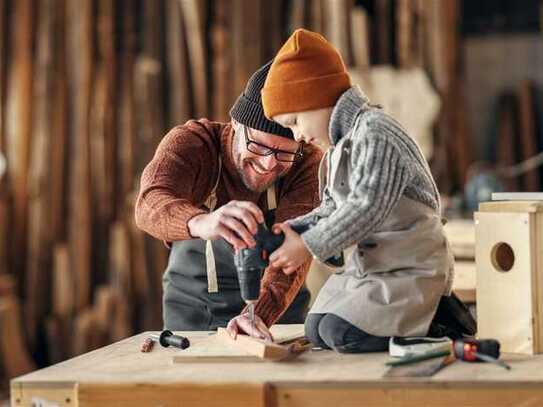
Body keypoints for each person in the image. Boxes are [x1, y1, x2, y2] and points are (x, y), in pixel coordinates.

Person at [262, 29, 475, 353]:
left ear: (318, 97)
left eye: (294, 121)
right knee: (317, 328)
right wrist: (294, 229)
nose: (298, 135)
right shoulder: (336, 150)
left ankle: (439, 320)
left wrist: (308, 245)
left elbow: (367, 206)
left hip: (409, 265)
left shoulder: (376, 133)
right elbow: (333, 208)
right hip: (373, 267)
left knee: (342, 334)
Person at [135, 60, 322, 340]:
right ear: (235, 123)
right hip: (193, 307)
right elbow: (149, 203)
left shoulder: (306, 163)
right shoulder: (192, 144)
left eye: (284, 153)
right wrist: (200, 222)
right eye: (258, 145)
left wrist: (259, 314)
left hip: (278, 312)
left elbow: (298, 240)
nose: (268, 164)